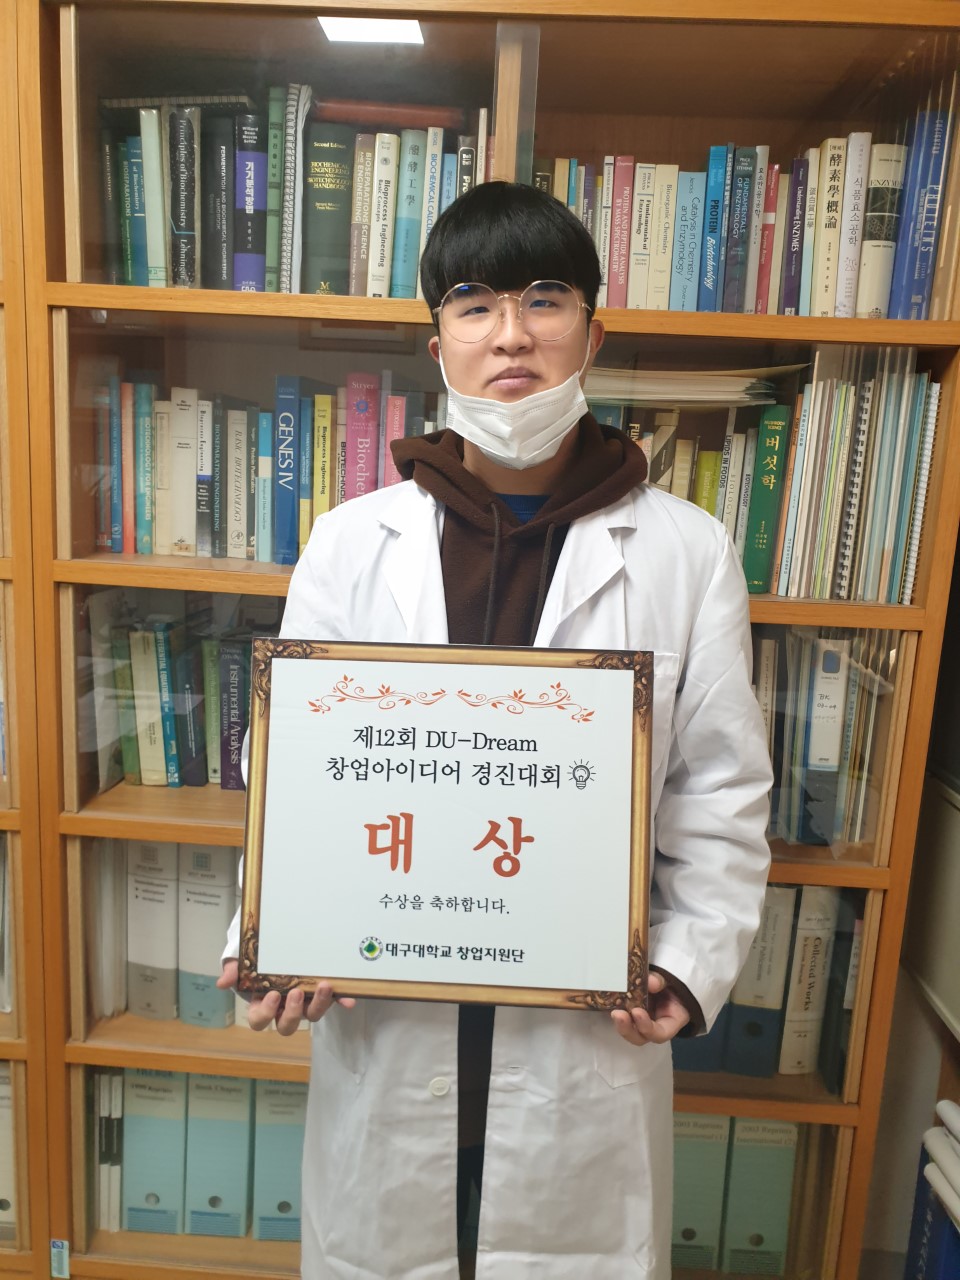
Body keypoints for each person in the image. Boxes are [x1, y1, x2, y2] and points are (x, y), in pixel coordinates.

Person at [218, 180, 772, 1280]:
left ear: (592, 334)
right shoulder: (351, 543)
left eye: (544, 299)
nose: (511, 334)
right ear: (440, 347)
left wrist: (682, 962)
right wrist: (277, 936)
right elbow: (299, 774)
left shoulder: (685, 550)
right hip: (390, 1005)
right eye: (474, 304)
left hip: (584, 1040)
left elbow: (718, 790)